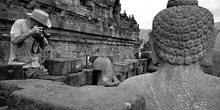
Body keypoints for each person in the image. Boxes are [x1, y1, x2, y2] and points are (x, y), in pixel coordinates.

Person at [8, 9, 52, 78]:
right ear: (33, 20)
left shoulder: (38, 30)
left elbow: (42, 48)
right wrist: (31, 32)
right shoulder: (19, 23)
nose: (40, 26)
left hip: (34, 64)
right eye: (40, 24)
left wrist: (42, 37)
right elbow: (15, 41)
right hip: (20, 64)